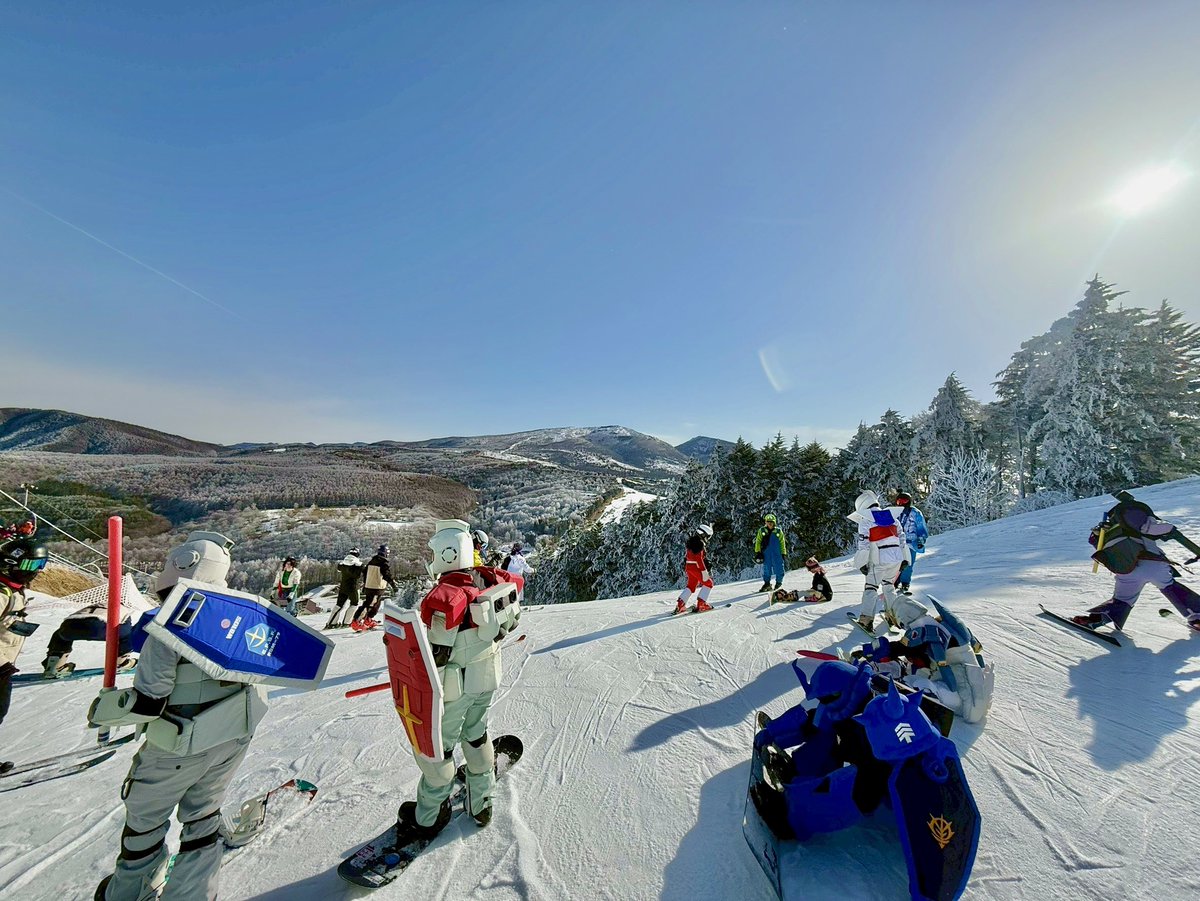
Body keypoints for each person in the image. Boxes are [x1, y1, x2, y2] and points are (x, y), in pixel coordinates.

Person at [391, 520, 522, 838]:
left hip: (454, 687)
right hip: (488, 676)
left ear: (446, 554)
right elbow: (512, 588)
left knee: (440, 748)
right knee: (476, 734)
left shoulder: (445, 595)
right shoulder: (490, 577)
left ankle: (428, 816)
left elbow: (437, 654)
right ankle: (482, 802)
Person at [851, 596, 994, 724]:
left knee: (913, 681)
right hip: (978, 690)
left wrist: (867, 651)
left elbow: (897, 648)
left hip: (960, 698)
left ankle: (920, 701)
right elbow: (976, 649)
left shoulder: (924, 629)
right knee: (915, 667)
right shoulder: (947, 626)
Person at [1074, 491, 1200, 632]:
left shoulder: (1106, 530)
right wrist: (1168, 528)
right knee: (1170, 587)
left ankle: (1094, 620)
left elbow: (1097, 544)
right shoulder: (1135, 516)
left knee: (1123, 600)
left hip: (1126, 569)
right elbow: (1160, 528)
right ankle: (1198, 617)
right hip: (1152, 563)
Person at [1, 538, 49, 773]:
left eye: (41, 566)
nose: (36, 573)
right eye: (31, 566)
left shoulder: (13, 590)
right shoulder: (2, 593)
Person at [41, 577, 152, 678]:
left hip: (69, 624)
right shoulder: (123, 608)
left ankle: (54, 665)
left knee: (60, 635)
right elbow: (125, 627)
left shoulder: (99, 603)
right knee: (127, 633)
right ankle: (121, 663)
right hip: (99, 626)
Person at [849, 490, 914, 634]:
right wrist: (905, 559)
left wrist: (862, 563)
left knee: (871, 588)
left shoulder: (866, 520)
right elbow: (902, 539)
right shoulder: (892, 516)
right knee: (889, 587)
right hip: (896, 559)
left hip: (878, 560)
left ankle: (866, 620)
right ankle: (892, 617)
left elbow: (864, 544)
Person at [352, 545, 397, 630]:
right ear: (386, 553)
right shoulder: (383, 563)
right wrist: (394, 586)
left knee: (376, 605)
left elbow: (365, 572)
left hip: (370, 586)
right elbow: (387, 575)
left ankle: (368, 619)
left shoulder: (371, 561)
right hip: (376, 587)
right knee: (369, 605)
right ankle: (356, 621)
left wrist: (366, 584)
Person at [674, 524, 715, 614]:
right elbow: (699, 559)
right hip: (696, 568)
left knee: (691, 585)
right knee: (709, 583)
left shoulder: (691, 542)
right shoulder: (699, 544)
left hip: (689, 567)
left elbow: (690, 557)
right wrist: (704, 572)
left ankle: (680, 604)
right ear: (703, 534)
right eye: (708, 537)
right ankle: (702, 604)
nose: (707, 539)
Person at [892, 491, 928, 595]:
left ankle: (905, 583)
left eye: (904, 501)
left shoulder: (915, 513)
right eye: (899, 501)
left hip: (911, 542)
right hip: (897, 542)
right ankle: (894, 582)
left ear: (909, 501)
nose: (901, 503)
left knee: (908, 563)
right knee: (895, 563)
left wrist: (921, 540)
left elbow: (921, 527)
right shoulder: (895, 512)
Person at [326, 548, 365, 629]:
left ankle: (331, 623)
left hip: (343, 587)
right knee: (354, 604)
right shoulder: (358, 564)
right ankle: (347, 622)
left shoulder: (343, 563)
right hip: (353, 587)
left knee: (339, 605)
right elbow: (360, 573)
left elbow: (338, 568)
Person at [753, 513, 788, 593]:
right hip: (766, 554)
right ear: (765, 522)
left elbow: (782, 542)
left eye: (771, 522)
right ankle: (767, 584)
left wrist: (783, 553)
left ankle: (778, 583)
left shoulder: (778, 531)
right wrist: (758, 552)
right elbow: (758, 541)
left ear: (774, 522)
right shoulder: (762, 531)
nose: (769, 523)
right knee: (767, 569)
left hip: (777, 554)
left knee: (779, 569)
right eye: (768, 521)